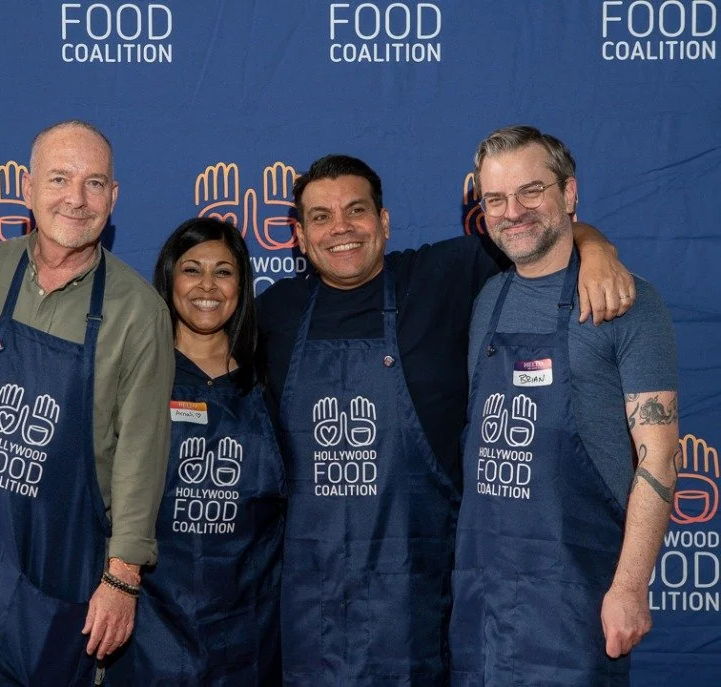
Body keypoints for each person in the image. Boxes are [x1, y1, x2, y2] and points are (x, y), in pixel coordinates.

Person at [255, 153, 636, 685]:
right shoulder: (273, 312)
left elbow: (534, 231)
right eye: (320, 216)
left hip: (417, 602)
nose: (340, 227)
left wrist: (594, 248)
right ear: (298, 235)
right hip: (309, 604)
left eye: (356, 210)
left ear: (384, 223)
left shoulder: (440, 277)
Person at [0, 119, 174, 685]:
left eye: (95, 184)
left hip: (58, 574)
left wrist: (122, 578)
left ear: (113, 198)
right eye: (60, 178)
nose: (76, 198)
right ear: (26, 186)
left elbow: (141, 455)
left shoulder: (140, 312)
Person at [449, 125, 679, 686]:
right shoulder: (487, 299)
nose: (513, 212)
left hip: (577, 599)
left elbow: (660, 459)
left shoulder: (626, 301)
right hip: (482, 599)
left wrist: (630, 587)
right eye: (496, 199)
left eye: (532, 191)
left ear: (569, 194)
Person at [106, 217, 285, 685]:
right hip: (150, 629)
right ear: (168, 277)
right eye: (192, 269)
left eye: (223, 272)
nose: (208, 286)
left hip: (250, 629)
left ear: (243, 284)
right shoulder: (138, 369)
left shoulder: (272, 374)